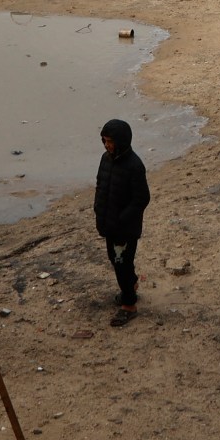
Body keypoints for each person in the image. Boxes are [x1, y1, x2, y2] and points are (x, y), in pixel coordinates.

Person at [94, 119, 150, 327]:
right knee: (116, 259)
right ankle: (131, 285)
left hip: (125, 228)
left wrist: (122, 219)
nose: (107, 145)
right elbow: (100, 185)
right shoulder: (105, 159)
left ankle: (129, 305)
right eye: (105, 141)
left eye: (111, 141)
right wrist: (98, 210)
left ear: (122, 141)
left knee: (121, 264)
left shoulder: (134, 166)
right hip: (109, 224)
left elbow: (142, 198)